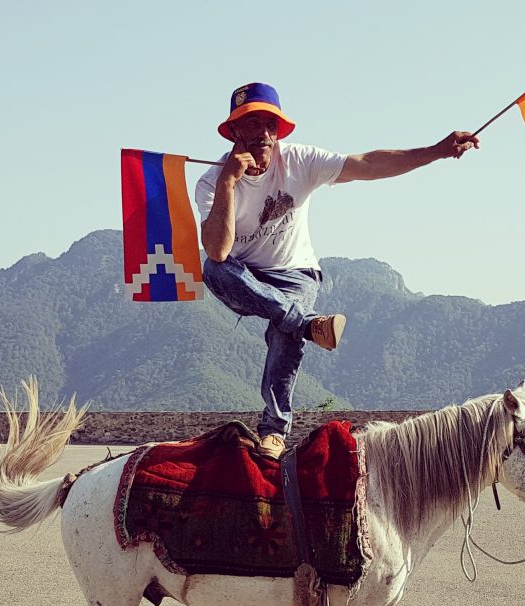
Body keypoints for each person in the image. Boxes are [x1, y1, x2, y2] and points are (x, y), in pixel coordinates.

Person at [195, 82, 478, 460]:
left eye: (269, 124)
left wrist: (437, 151)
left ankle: (274, 432)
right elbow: (218, 249)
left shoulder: (299, 161)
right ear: (234, 132)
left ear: (279, 130)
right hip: (245, 276)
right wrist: (230, 180)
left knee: (285, 329)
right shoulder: (211, 182)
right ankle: (309, 323)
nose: (262, 133)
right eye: (251, 124)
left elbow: (368, 165)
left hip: (295, 273)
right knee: (214, 269)